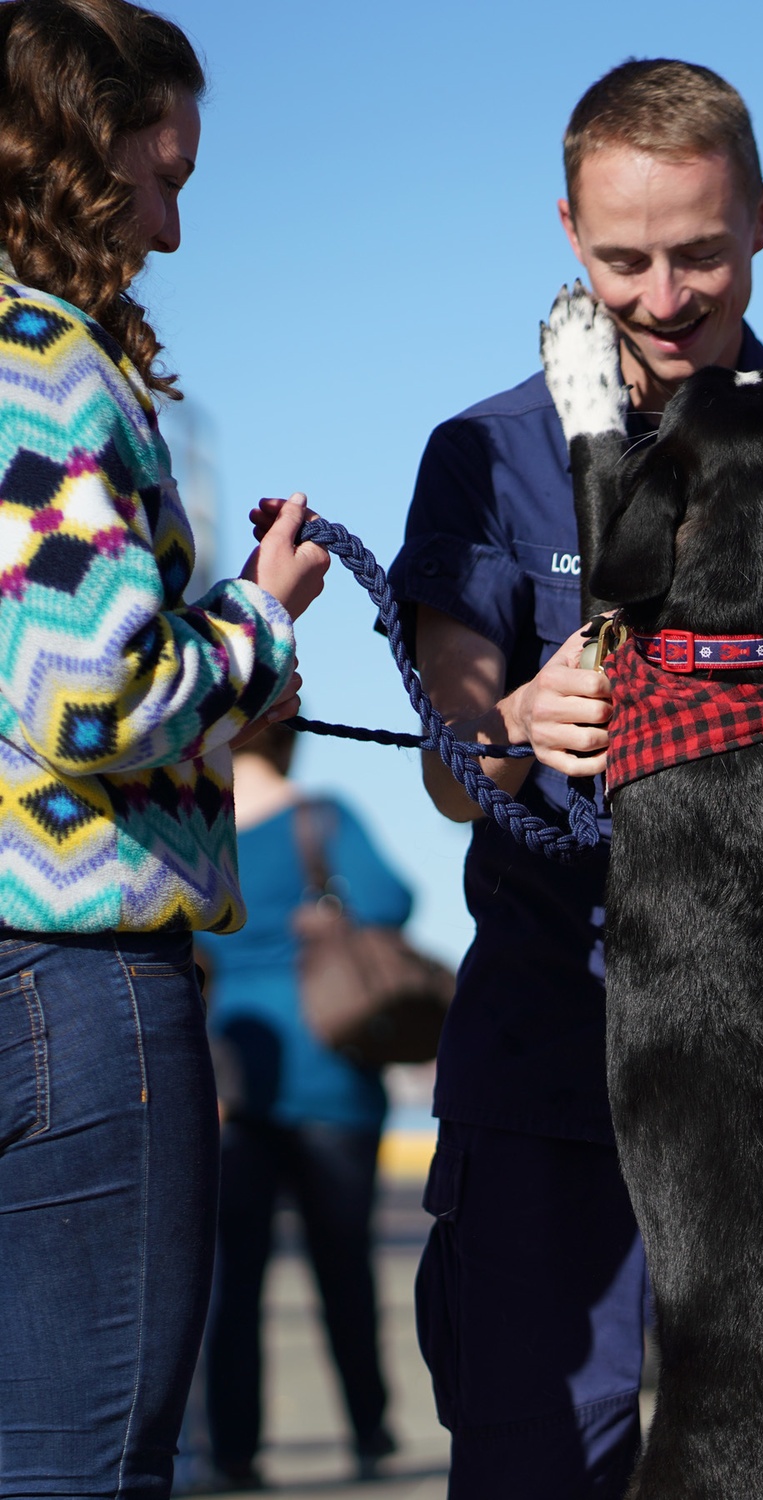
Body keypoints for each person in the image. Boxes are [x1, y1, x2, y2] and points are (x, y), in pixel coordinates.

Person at [386, 59, 763, 1500]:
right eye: (623, 259)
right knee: (547, 1469)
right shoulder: (485, 457)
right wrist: (517, 723)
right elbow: (450, 771)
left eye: (702, 252)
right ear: (566, 231)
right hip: (552, 1056)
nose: (665, 297)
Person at [0, 2, 329, 1493]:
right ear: (74, 156)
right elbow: (86, 689)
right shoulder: (43, 363)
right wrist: (260, 616)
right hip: (70, 971)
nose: (173, 228)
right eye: (161, 176)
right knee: (86, 1465)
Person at [197, 721, 411, 1488]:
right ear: (291, 742)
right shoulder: (321, 816)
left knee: (233, 1281)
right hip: (333, 1076)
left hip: (228, 1079)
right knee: (344, 1268)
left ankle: (234, 1453)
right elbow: (390, 900)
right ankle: (371, 1435)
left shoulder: (198, 826)